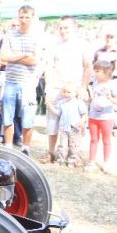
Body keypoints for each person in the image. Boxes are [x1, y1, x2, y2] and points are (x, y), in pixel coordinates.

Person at [42, 16, 92, 163]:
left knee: (76, 123)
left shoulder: (83, 45)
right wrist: (47, 89)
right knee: (52, 122)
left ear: (74, 28)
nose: (63, 31)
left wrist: (83, 87)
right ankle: (51, 152)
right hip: (56, 87)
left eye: (66, 28)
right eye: (61, 27)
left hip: (75, 88)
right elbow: (49, 68)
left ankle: (75, 154)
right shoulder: (54, 45)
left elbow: (88, 67)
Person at [0, 5, 38, 154]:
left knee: (28, 116)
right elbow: (3, 57)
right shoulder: (10, 34)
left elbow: (34, 60)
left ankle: (25, 148)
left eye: (27, 17)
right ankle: (8, 146)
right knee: (7, 115)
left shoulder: (36, 37)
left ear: (32, 18)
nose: (24, 20)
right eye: (21, 16)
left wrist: (13, 57)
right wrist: (23, 55)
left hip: (27, 82)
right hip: (10, 80)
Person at [87, 60, 117, 173]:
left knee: (106, 140)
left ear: (106, 72)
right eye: (94, 71)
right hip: (93, 116)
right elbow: (92, 97)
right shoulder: (95, 83)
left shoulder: (112, 85)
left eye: (97, 71)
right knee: (93, 139)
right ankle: (91, 162)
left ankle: (106, 163)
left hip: (106, 118)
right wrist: (89, 100)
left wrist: (110, 98)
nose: (95, 73)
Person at [52, 82, 86, 167]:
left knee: (74, 146)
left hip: (74, 128)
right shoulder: (61, 103)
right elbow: (58, 113)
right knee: (62, 145)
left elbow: (84, 113)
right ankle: (60, 160)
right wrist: (49, 105)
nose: (66, 94)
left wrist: (82, 121)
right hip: (63, 128)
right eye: (64, 92)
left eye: (69, 92)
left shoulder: (79, 103)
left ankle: (72, 161)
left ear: (75, 93)